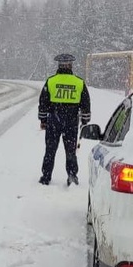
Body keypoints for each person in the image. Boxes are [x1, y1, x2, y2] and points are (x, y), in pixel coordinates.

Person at [38, 53, 91, 186]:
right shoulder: (79, 82)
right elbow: (85, 104)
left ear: (59, 66)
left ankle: (46, 176)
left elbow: (43, 102)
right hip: (71, 121)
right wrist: (85, 121)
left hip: (53, 120)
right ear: (71, 65)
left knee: (50, 150)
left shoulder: (51, 81)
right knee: (71, 151)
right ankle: (72, 176)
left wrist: (43, 120)